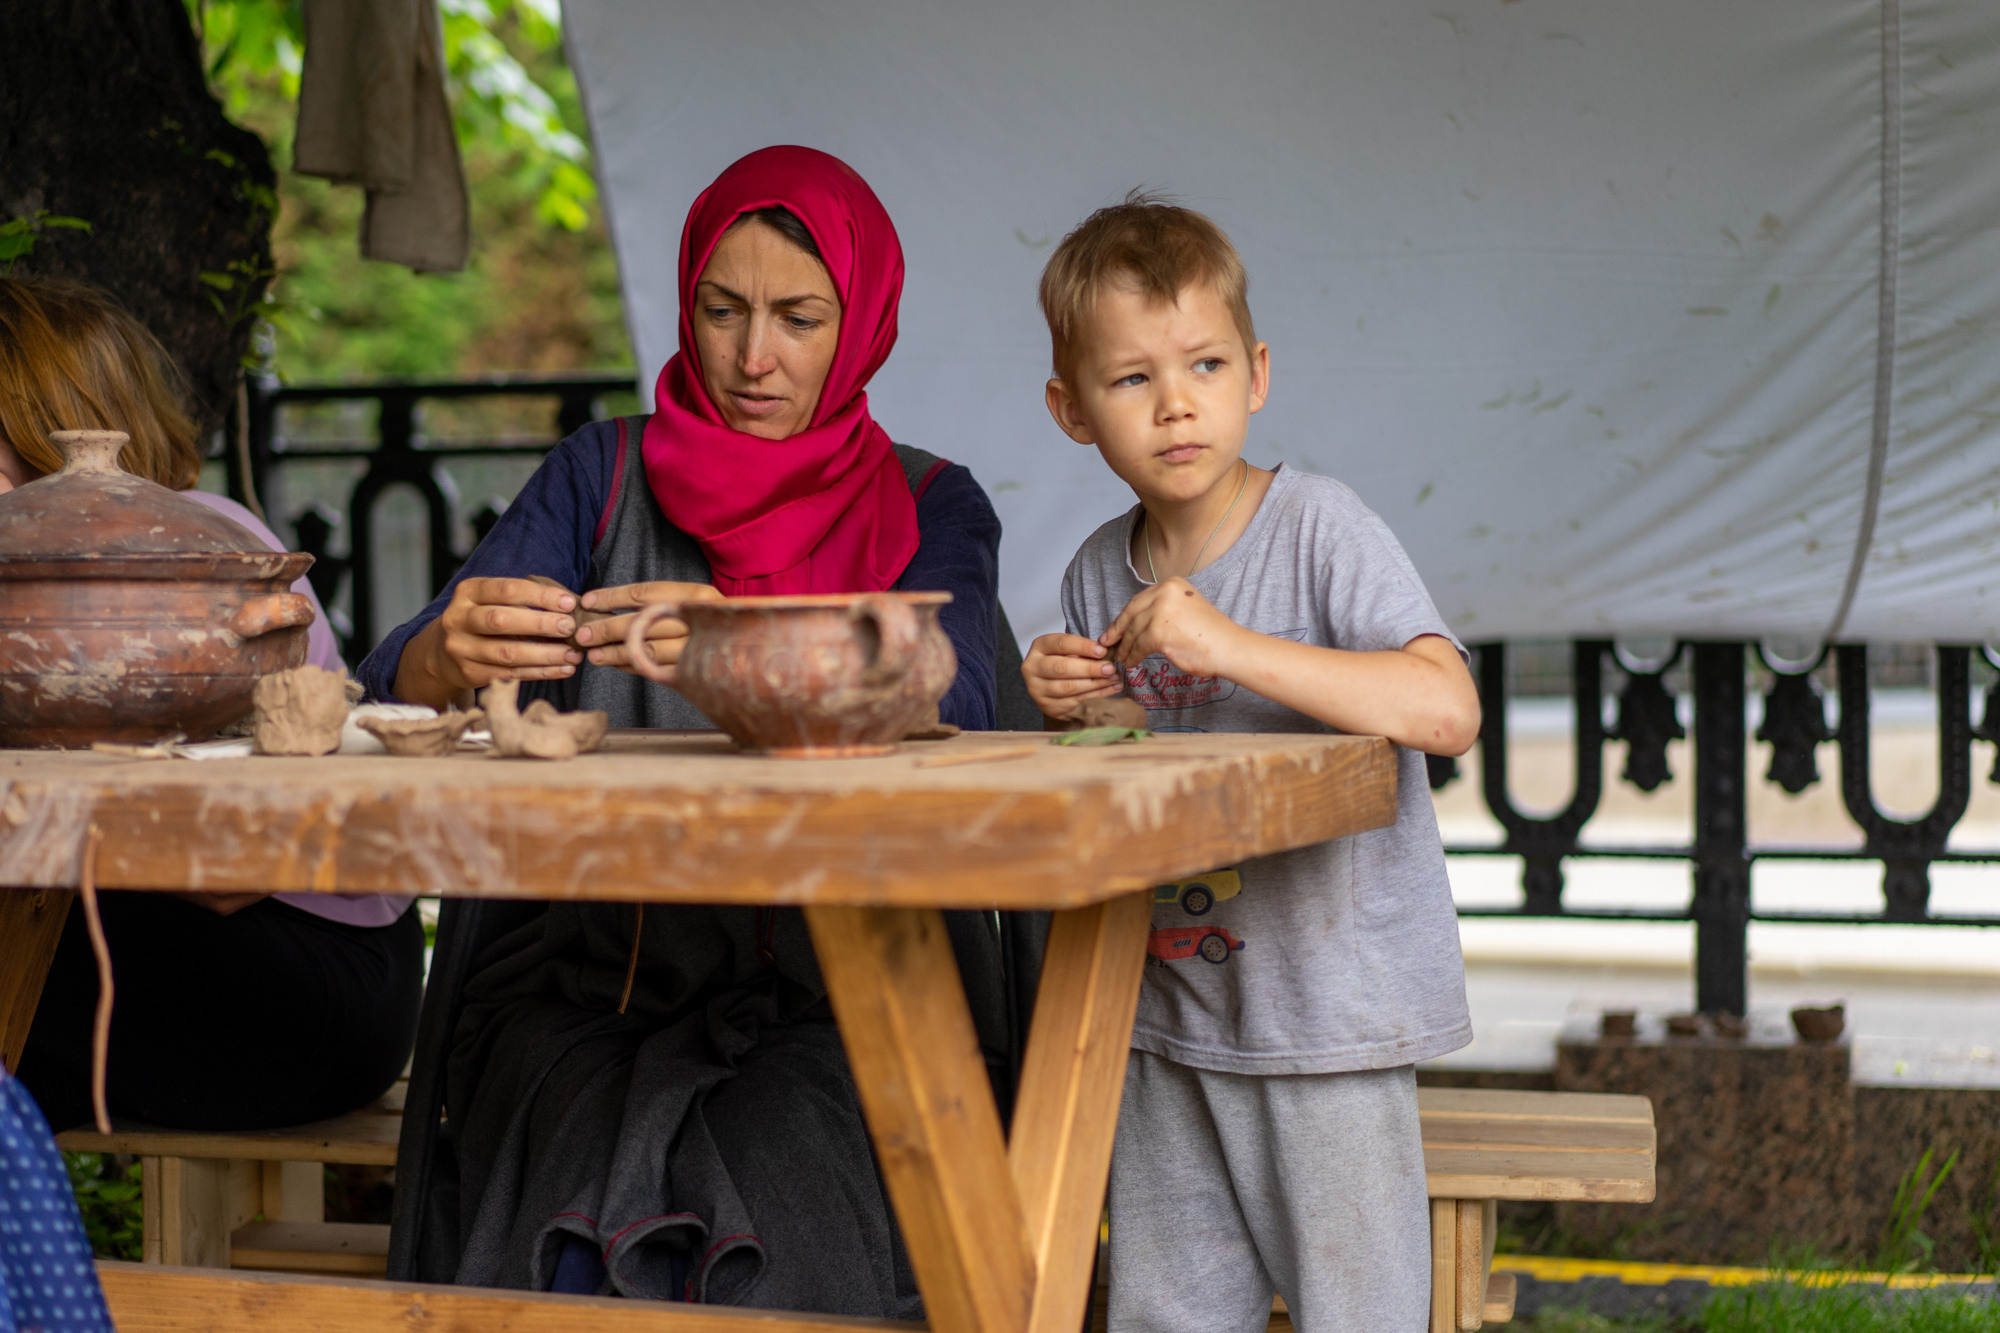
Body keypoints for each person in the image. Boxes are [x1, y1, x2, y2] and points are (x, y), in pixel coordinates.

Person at [354, 146, 1013, 1314]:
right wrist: (444, 653)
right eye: (721, 310)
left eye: (799, 318)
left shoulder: (929, 501)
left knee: (783, 1175)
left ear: (860, 325)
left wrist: (739, 645)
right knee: (573, 1168)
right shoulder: (598, 476)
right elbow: (403, 680)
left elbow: (951, 691)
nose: (753, 356)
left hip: (854, 990)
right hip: (589, 977)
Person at [1022, 196, 1482, 1332]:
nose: (1175, 402)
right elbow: (1141, 774)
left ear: (1256, 374)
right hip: (1170, 1018)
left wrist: (1225, 642)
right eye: (1130, 379)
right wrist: (1083, 709)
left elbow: (1444, 707)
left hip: (1327, 1017)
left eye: (1204, 364)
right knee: (1164, 1314)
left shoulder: (1320, 526)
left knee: (1353, 1312)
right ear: (1070, 409)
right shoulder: (1096, 570)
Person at [0, 275, 423, 1132]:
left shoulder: (200, 548)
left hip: (301, 981)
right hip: (142, 945)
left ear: (47, 430)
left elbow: (230, 877)